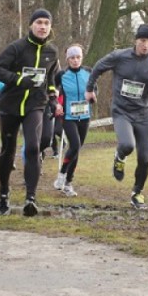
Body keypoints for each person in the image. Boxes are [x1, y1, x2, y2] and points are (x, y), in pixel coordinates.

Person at [0, 8, 60, 217]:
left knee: (32, 147)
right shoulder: (17, 48)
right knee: (8, 150)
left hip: (35, 105)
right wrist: (19, 79)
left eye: (46, 23)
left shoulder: (52, 52)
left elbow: (50, 79)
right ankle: (3, 193)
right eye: (39, 22)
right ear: (31, 25)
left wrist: (53, 98)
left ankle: (31, 198)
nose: (42, 27)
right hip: (11, 105)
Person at [85, 24, 148, 210]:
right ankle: (119, 156)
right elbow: (98, 67)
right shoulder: (120, 56)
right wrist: (89, 89)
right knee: (127, 145)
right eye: (142, 41)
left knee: (145, 158)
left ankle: (137, 193)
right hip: (122, 111)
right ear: (136, 40)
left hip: (143, 113)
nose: (145, 45)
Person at [53, 44, 93, 197]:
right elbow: (52, 90)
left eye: (78, 57)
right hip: (68, 116)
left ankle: (68, 183)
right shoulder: (61, 75)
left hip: (85, 116)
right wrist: (56, 103)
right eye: (72, 58)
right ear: (67, 59)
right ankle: (62, 174)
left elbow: (93, 88)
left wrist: (93, 95)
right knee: (74, 144)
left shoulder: (88, 72)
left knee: (76, 149)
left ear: (81, 58)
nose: (75, 61)